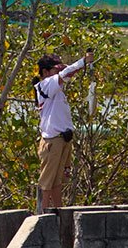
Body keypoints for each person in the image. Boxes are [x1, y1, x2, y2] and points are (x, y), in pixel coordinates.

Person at [33, 50, 94, 212]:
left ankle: (59, 213)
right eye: (55, 70)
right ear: (45, 72)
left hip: (62, 139)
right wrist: (83, 61)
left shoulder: (56, 90)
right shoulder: (45, 85)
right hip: (52, 141)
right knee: (47, 182)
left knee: (57, 181)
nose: (59, 74)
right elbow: (67, 73)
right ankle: (43, 215)